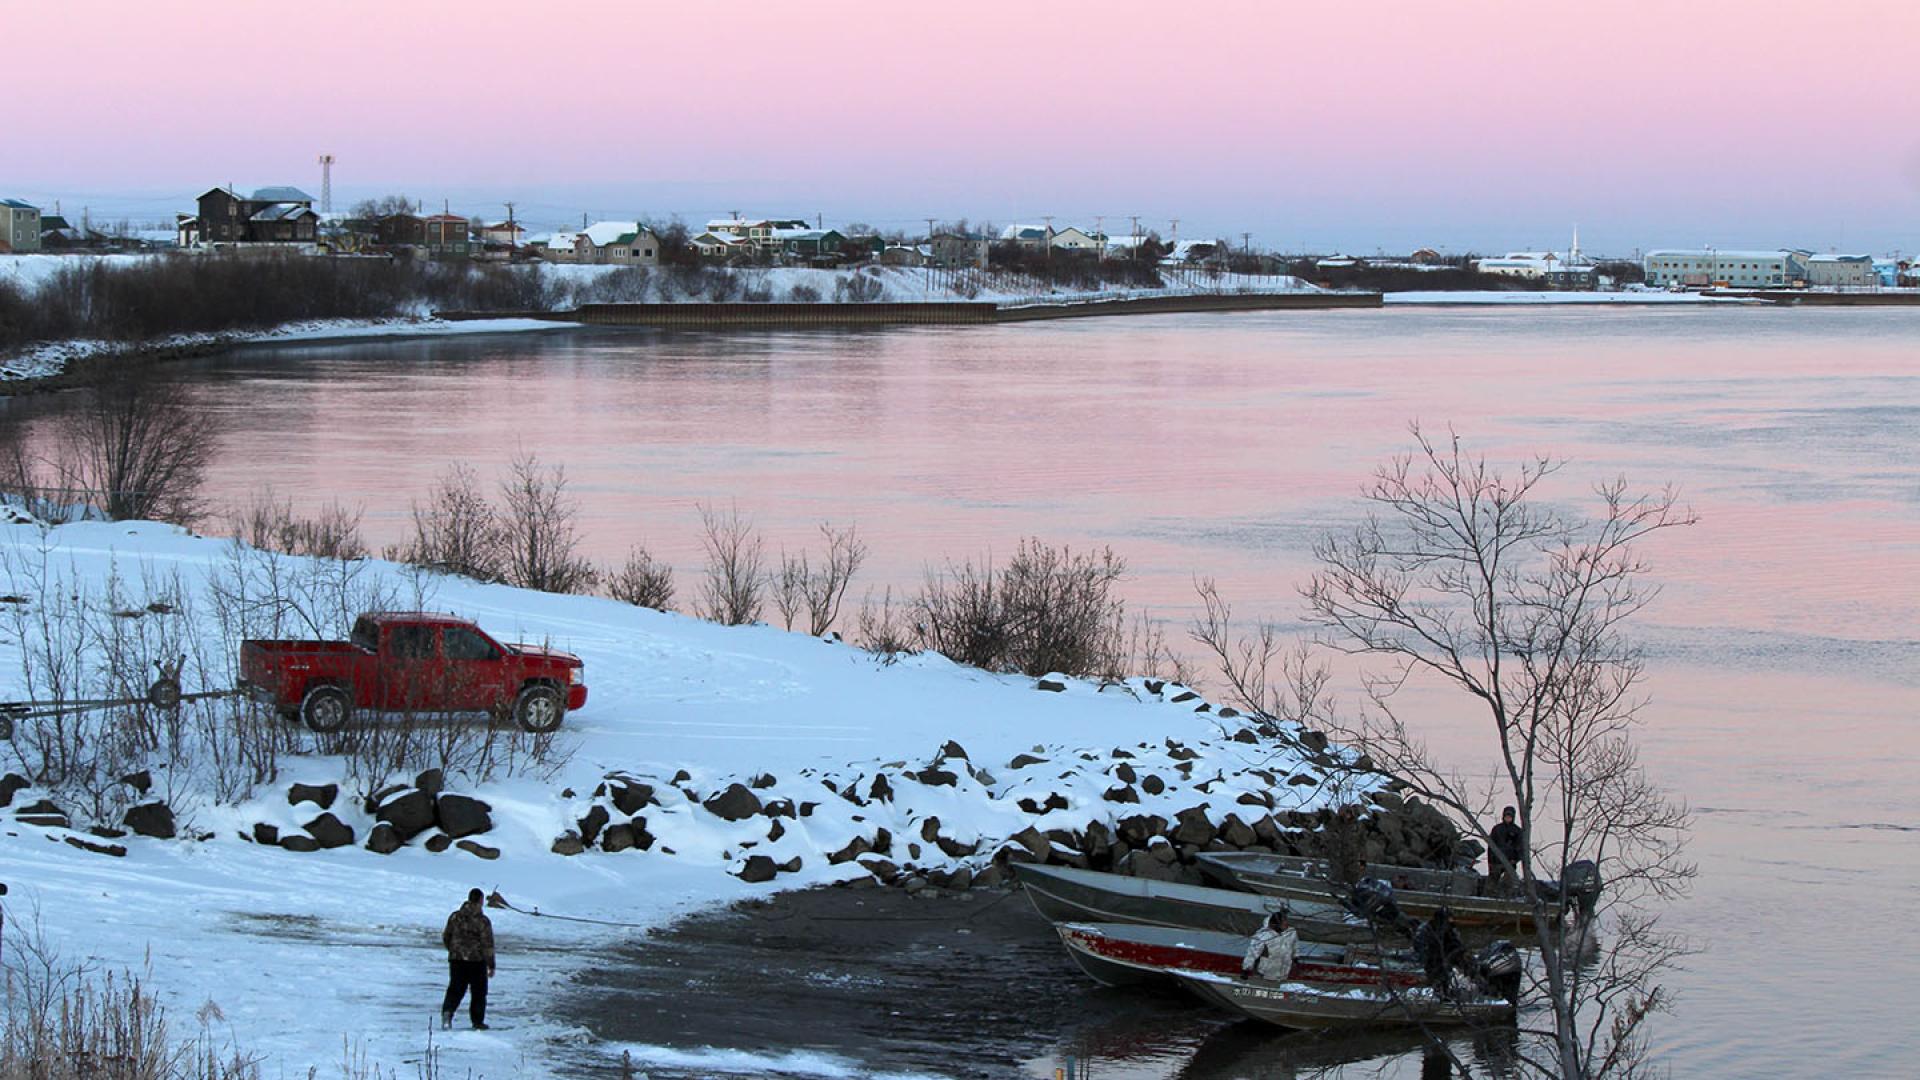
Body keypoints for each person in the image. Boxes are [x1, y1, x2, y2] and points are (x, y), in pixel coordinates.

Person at [441, 888, 495, 1030]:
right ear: (480, 901)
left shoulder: (455, 916)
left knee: (455, 989)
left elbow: (447, 935)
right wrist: (491, 964)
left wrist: (453, 950)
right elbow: (487, 944)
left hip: (456, 959)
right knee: (478, 992)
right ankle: (477, 1021)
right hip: (476, 961)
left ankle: (448, 1012)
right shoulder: (482, 921)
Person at [1412, 907, 1465, 997]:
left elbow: (1457, 946)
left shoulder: (1450, 930)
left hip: (1444, 961)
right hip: (1430, 961)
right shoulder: (1426, 930)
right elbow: (1421, 950)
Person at [1242, 907, 1298, 981]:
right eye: (1283, 924)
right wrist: (1246, 969)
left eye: (1286, 923)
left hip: (1284, 971)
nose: (1286, 925)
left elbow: (1295, 945)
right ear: (1275, 924)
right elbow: (1252, 953)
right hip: (1265, 972)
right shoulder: (1263, 935)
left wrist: (1295, 957)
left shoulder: (1291, 932)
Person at [1488, 806, 1525, 896]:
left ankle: (1506, 899)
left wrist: (1515, 859)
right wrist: (1491, 860)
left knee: (1508, 883)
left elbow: (1520, 848)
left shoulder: (1517, 831)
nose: (1508, 818)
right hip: (1496, 862)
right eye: (1506, 816)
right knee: (1491, 883)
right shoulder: (1497, 829)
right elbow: (1491, 845)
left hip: (1510, 862)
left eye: (1510, 816)